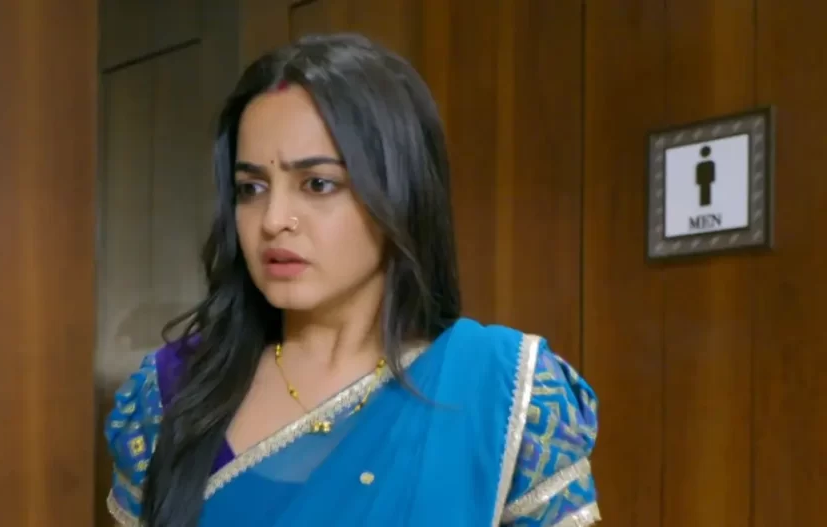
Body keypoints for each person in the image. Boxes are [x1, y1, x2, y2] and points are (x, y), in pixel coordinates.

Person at [104, 33, 599, 527]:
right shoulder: (171, 393)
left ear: (400, 192)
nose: (273, 219)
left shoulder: (504, 393)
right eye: (251, 188)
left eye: (318, 184)